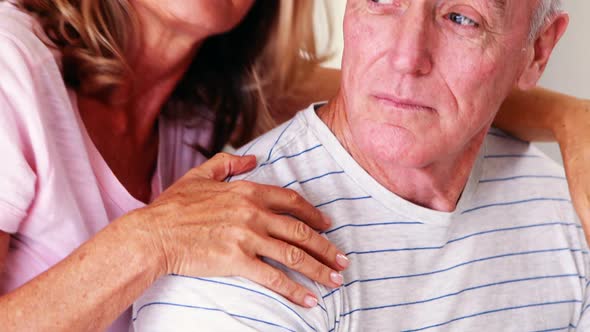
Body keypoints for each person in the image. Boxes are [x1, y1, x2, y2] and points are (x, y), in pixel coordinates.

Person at [0, 0, 587, 331]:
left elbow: (408, 90)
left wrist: (573, 121)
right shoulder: (10, 69)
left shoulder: (214, 99)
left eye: (461, 18)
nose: (408, 56)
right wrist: (150, 239)